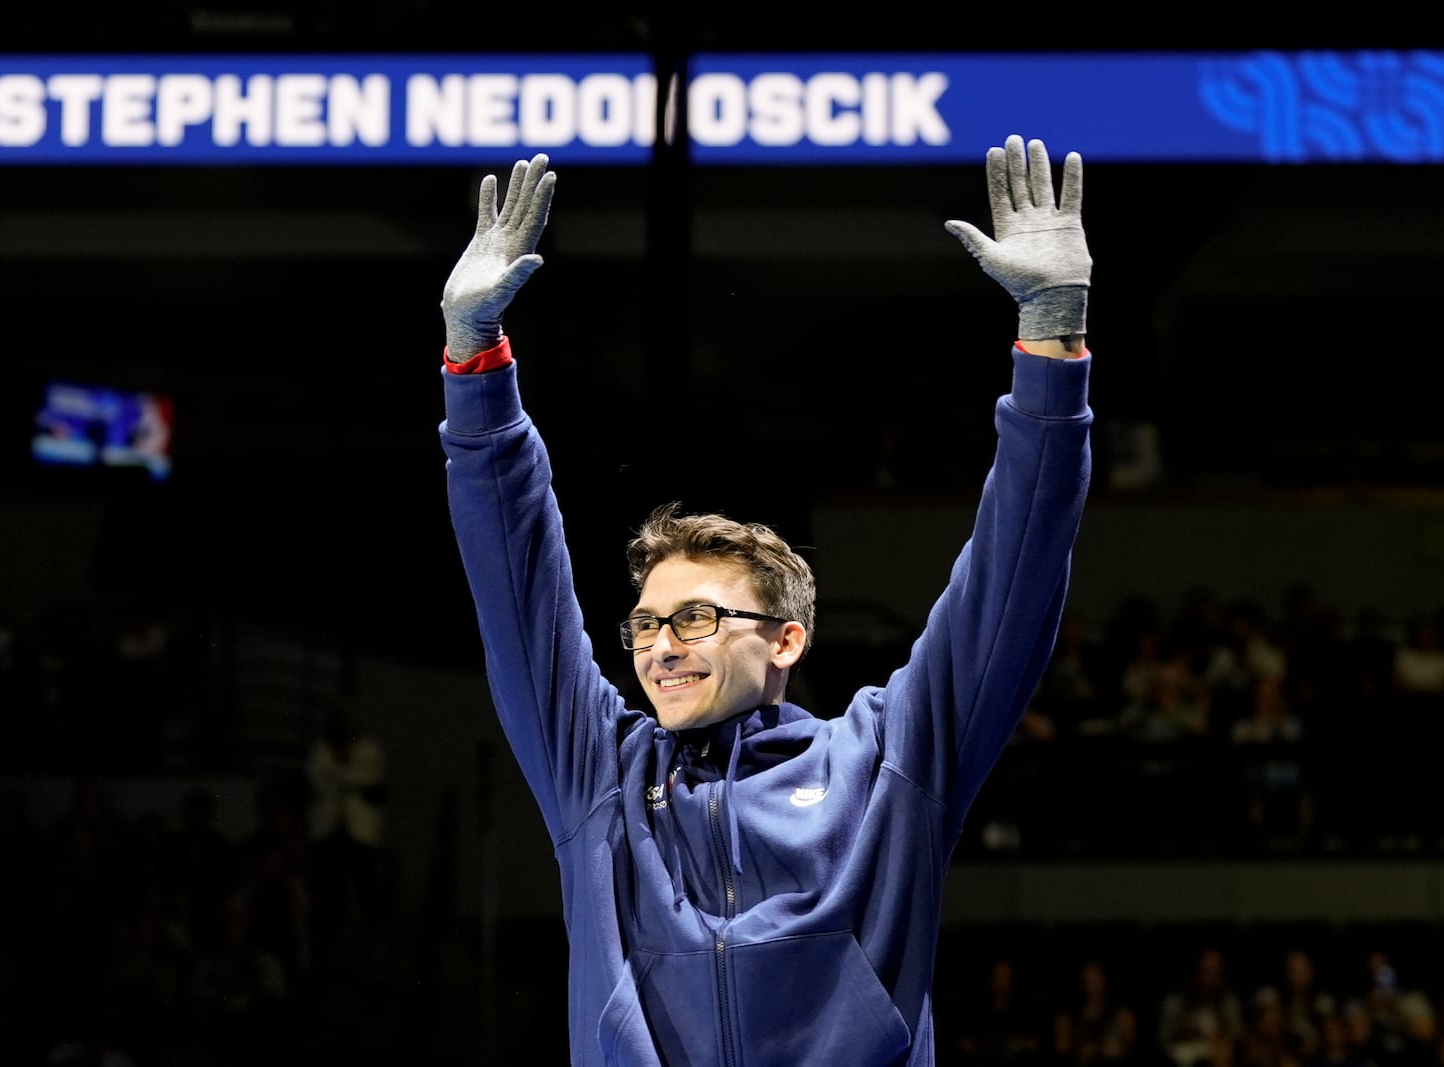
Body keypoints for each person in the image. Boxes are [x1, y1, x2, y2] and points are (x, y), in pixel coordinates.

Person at [436, 135, 1093, 1065]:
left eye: (697, 617)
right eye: (648, 625)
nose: (662, 645)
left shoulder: (888, 764)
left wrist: (1052, 339)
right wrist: (475, 365)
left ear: (786, 639)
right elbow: (516, 583)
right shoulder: (600, 775)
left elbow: (1012, 581)